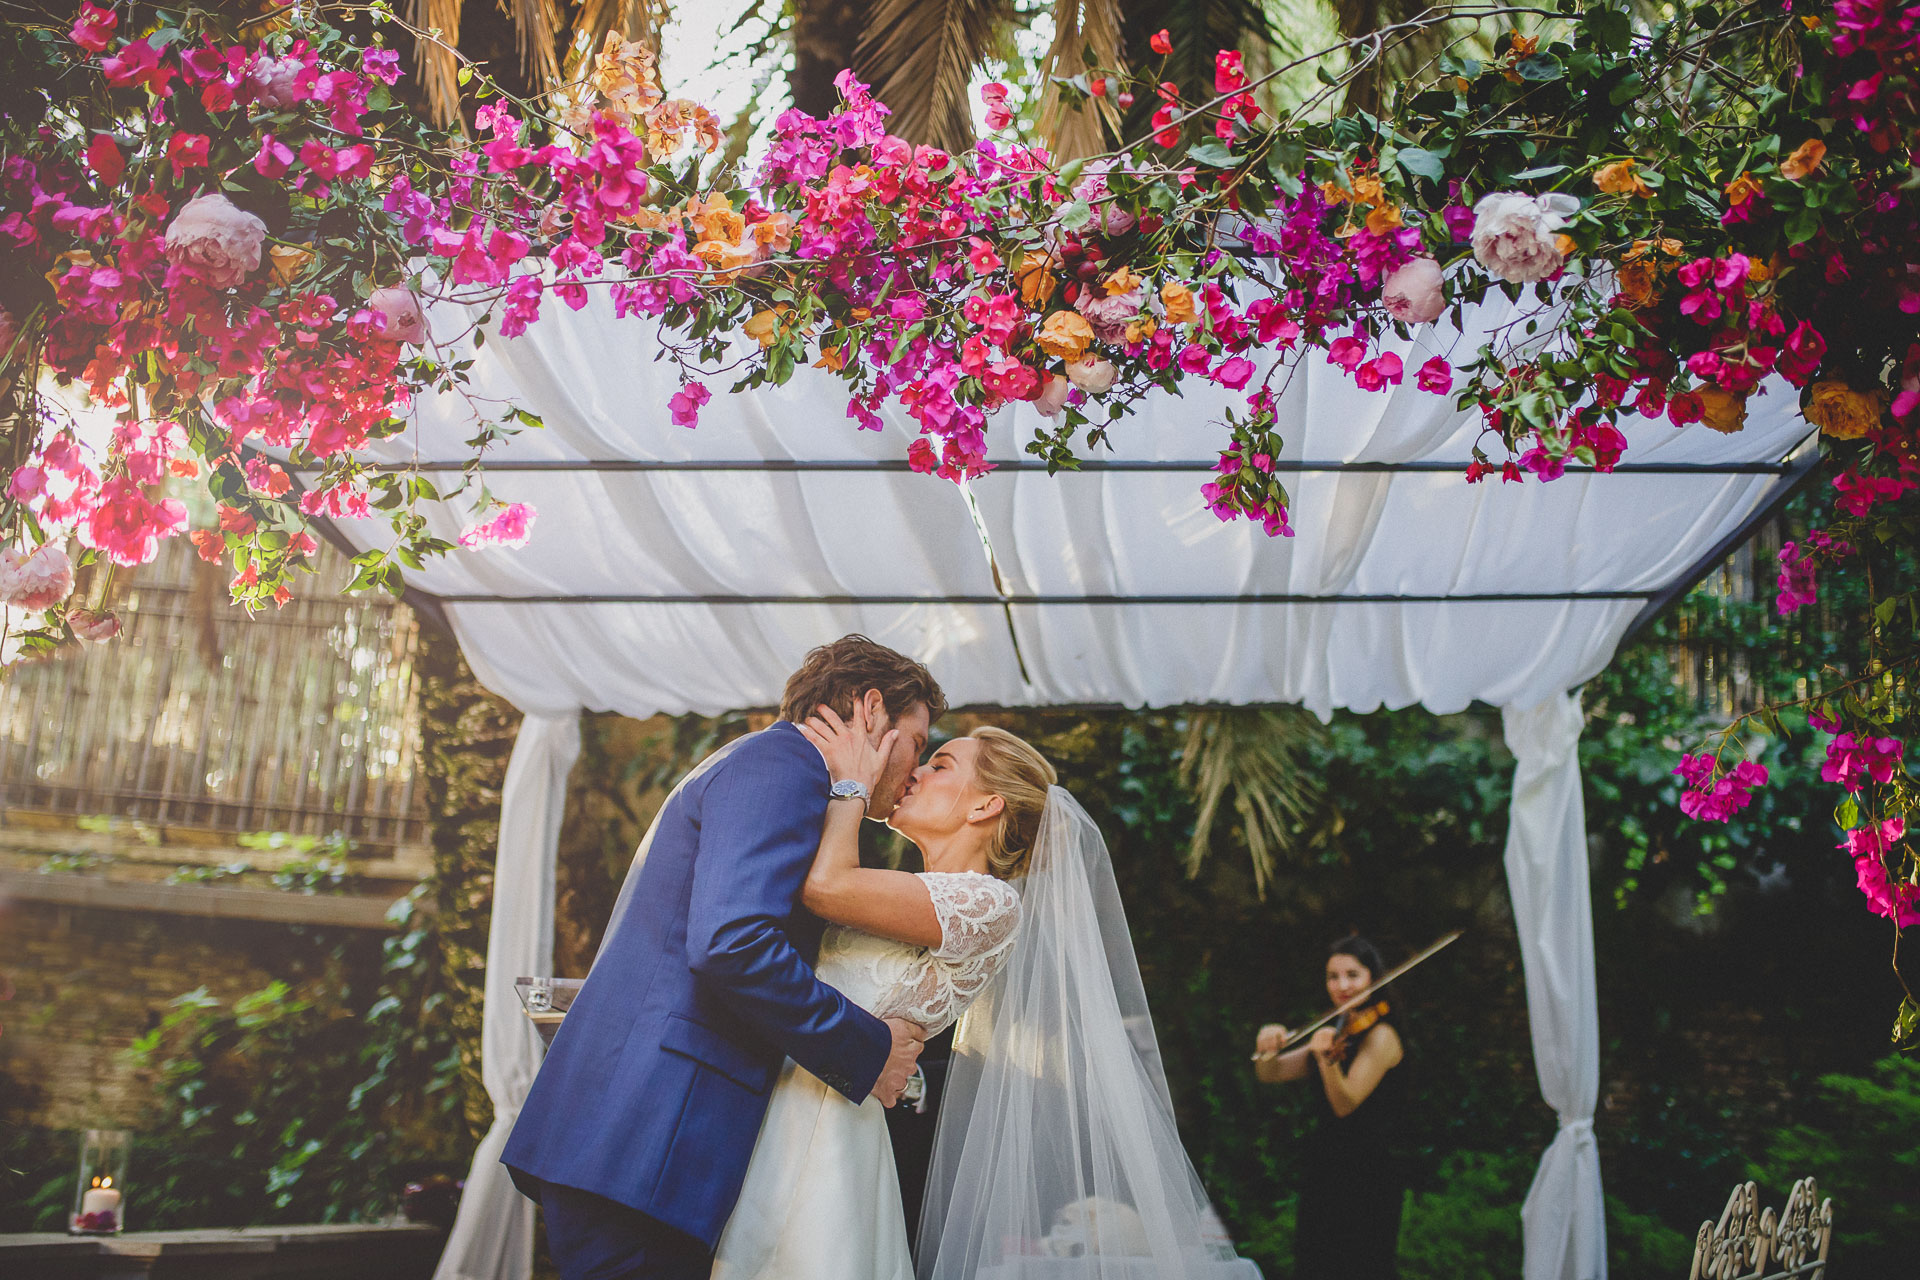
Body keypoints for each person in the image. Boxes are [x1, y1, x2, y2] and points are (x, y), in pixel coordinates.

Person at [725, 705, 1262, 1280]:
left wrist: (851, 778)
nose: (916, 772)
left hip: (823, 1130)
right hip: (775, 1103)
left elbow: (826, 886)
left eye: (940, 764)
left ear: (985, 806)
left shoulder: (989, 904)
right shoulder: (901, 891)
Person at [502, 636, 944, 1280]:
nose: (914, 767)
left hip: (640, 1141)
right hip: (649, 1137)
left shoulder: (762, 764)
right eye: (917, 743)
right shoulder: (785, 767)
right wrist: (867, 1049)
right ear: (871, 710)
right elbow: (733, 942)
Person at [1254, 935, 1408, 1280]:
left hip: (1367, 1174)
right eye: (1333, 977)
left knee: (1361, 1267)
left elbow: (1346, 1103)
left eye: (1352, 975)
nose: (1342, 986)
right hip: (1326, 1168)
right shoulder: (1340, 1031)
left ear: (1373, 977)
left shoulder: (1381, 1036)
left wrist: (1326, 1059)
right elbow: (1272, 1072)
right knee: (1315, 1264)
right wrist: (1267, 1045)